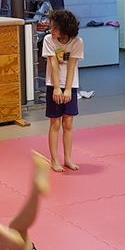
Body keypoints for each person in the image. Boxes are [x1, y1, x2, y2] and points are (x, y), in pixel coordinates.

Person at [42, 9, 85, 172]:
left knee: (68, 123)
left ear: (65, 29)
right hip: (53, 85)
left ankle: (68, 158)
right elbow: (53, 64)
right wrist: (57, 88)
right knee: (55, 123)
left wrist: (67, 89)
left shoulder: (77, 42)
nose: (51, 30)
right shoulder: (49, 40)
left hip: (70, 86)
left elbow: (72, 66)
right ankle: (54, 159)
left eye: (54, 28)